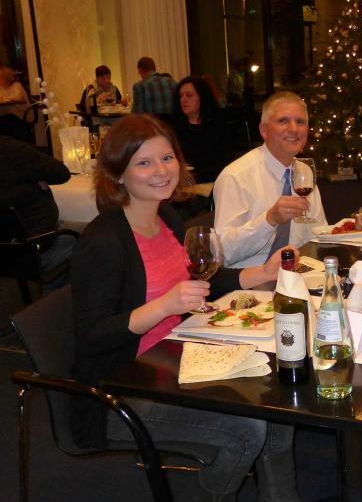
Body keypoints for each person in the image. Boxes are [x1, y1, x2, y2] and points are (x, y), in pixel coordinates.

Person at [70, 114, 301, 502]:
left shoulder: (165, 217)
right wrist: (164, 305)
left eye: (167, 158)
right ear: (117, 173)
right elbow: (92, 337)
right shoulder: (104, 241)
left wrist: (262, 272)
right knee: (249, 430)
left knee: (277, 396)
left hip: (178, 356)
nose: (161, 171)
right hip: (121, 389)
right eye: (144, 162)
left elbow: (203, 281)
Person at [214, 91, 326, 268]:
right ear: (263, 130)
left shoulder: (304, 172)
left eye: (300, 121)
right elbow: (221, 253)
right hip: (250, 278)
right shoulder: (235, 177)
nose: (294, 129)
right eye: (283, 121)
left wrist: (351, 231)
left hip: (300, 272)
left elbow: (318, 235)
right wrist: (269, 220)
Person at [0, 135, 75, 279]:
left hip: (12, 250)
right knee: (89, 238)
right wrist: (34, 177)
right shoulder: (11, 150)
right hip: (33, 249)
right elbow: (61, 173)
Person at [170, 76, 229, 183]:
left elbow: (225, 159)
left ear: (202, 97)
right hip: (184, 181)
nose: (183, 100)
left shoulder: (218, 124)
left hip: (215, 179)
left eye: (189, 95)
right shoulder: (173, 127)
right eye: (180, 96)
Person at [0, 65, 31, 140]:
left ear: (6, 78)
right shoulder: (1, 87)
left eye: (1, 77)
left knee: (8, 118)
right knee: (4, 118)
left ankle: (15, 141)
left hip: (20, 112)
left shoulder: (17, 85)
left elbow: (18, 97)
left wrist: (6, 98)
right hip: (7, 113)